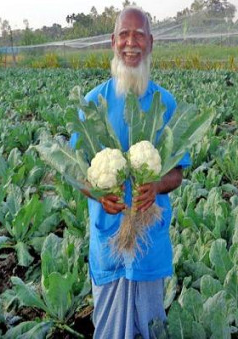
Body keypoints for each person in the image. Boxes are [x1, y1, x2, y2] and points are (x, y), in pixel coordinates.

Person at [70, 6, 191, 339]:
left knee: (150, 325)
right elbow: (76, 170)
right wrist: (95, 191)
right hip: (108, 239)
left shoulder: (165, 103)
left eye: (139, 35)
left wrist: (157, 186)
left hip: (149, 242)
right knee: (108, 326)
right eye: (124, 34)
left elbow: (178, 173)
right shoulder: (94, 102)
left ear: (150, 43)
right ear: (113, 41)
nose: (131, 42)